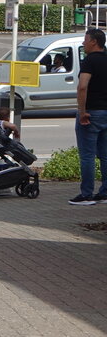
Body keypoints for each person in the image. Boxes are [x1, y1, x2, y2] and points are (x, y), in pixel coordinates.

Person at [70, 27, 107, 205]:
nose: (83, 43)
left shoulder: (89, 61)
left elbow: (82, 86)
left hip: (91, 113)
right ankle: (105, 193)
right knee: (105, 155)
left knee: (87, 155)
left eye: (85, 40)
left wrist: (82, 111)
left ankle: (86, 194)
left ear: (94, 42)